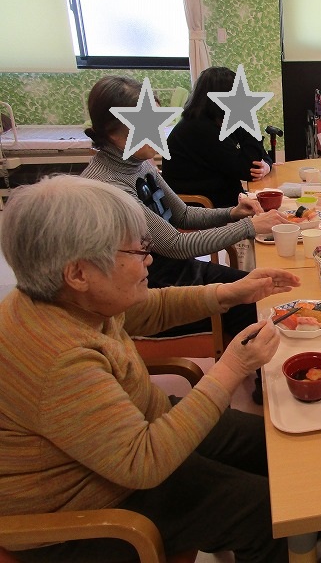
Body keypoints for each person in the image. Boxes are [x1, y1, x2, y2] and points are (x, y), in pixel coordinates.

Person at [0, 175, 301, 562]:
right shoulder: (58, 357)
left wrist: (231, 291)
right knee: (266, 514)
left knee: (276, 446)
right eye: (136, 251)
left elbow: (147, 308)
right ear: (78, 273)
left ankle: (311, 539)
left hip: (130, 439)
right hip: (87, 510)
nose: (149, 260)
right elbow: (143, 463)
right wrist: (233, 367)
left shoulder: (67, 298)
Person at [82, 75, 288, 404]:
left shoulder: (139, 164)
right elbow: (177, 245)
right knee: (253, 302)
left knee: (257, 288)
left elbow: (183, 215)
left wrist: (234, 213)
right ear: (114, 133)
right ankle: (267, 390)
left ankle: (259, 373)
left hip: (172, 271)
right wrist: (250, 226)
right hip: (147, 291)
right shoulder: (110, 187)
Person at [163, 66, 273, 208]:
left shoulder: (215, 120)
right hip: (205, 206)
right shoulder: (199, 128)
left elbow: (259, 156)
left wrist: (266, 166)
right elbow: (248, 170)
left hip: (223, 197)